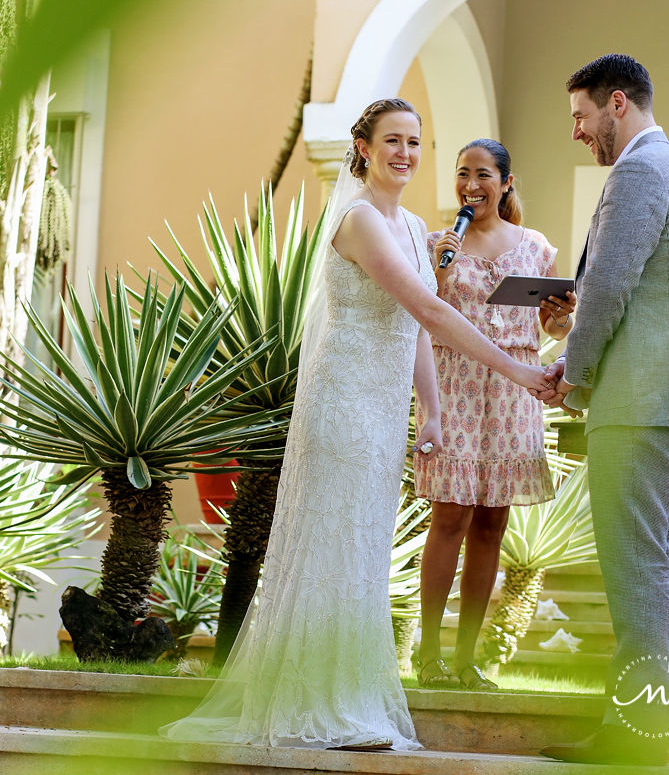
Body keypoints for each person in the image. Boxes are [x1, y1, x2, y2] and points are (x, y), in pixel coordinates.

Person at [160, 99, 550, 751]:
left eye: (414, 142)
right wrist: (518, 372)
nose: (405, 152)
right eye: (392, 140)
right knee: (333, 550)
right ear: (364, 148)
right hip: (343, 409)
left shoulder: (414, 223)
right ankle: (321, 707)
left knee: (364, 553)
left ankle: (349, 699)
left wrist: (431, 408)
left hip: (381, 414)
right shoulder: (360, 220)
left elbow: (415, 335)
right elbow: (427, 309)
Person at [536, 55, 669, 766]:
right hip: (659, 394)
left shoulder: (640, 170)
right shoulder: (668, 165)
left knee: (634, 565)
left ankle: (636, 738)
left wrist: (572, 379)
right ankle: (642, 728)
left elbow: (608, 292)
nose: (577, 132)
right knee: (647, 564)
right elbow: (618, 296)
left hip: (640, 400)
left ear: (617, 104)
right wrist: (567, 345)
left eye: (580, 117)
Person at [413, 139, 576, 691]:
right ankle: (428, 653)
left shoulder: (535, 247)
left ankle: (467, 660)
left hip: (514, 393)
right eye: (462, 174)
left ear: (505, 183)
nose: (470, 185)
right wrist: (439, 267)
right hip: (454, 383)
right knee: (451, 516)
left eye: (482, 174)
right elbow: (421, 314)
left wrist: (561, 319)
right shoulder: (438, 243)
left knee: (491, 524)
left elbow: (553, 331)